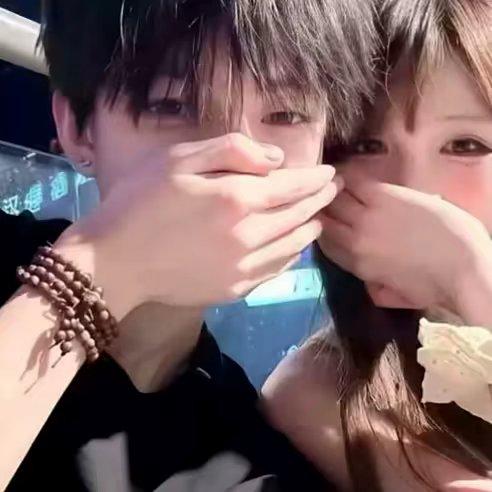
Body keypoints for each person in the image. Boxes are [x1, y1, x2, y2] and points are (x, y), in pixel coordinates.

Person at [0, 0, 379, 490]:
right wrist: (101, 266)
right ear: (76, 126)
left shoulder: (256, 456)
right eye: (172, 105)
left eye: (286, 114)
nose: (239, 158)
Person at [263, 0, 492, 491]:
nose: (413, 189)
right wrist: (469, 276)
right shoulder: (317, 390)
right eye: (367, 146)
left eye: (465, 145)